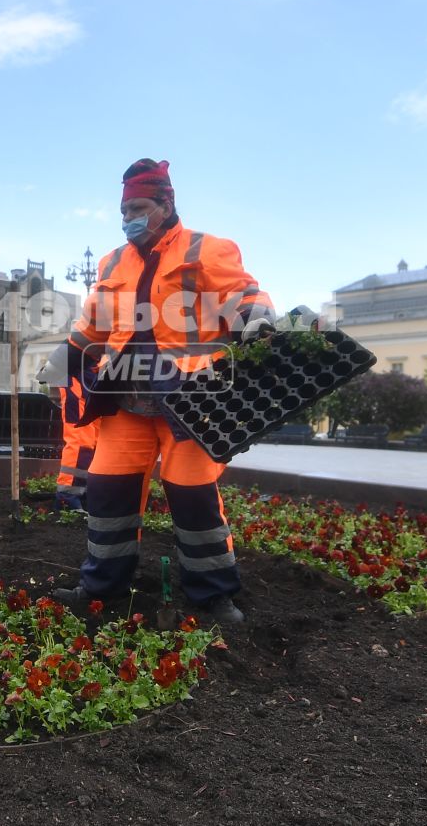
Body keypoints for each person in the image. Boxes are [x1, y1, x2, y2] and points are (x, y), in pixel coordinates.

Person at [51, 158, 283, 628]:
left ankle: (213, 594)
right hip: (126, 401)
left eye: (137, 207)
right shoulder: (112, 262)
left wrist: (259, 325)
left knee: (193, 496)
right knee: (107, 491)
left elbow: (247, 296)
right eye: (123, 210)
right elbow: (93, 323)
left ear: (167, 202)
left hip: (190, 400)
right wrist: (63, 359)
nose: (128, 218)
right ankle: (102, 588)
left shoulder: (207, 250)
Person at [36, 343, 98, 511]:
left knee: (93, 443)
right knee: (81, 443)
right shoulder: (89, 334)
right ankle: (67, 497)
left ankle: (81, 492)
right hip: (78, 385)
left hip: (90, 385)